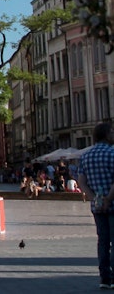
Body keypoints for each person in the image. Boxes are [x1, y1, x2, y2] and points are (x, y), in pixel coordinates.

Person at [77, 122, 114, 289]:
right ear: (107, 135)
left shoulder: (86, 156)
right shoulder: (112, 153)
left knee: (103, 241)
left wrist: (95, 199)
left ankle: (105, 278)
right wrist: (108, 199)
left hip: (97, 206)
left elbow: (82, 182)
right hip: (112, 203)